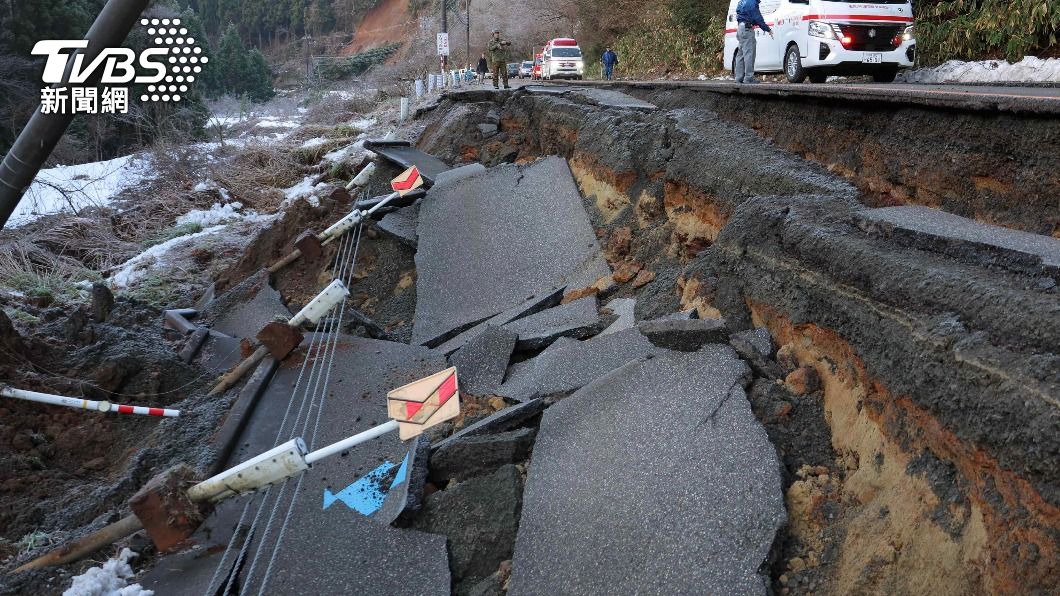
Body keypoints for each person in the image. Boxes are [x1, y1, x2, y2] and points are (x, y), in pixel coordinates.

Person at [734, 0, 773, 84]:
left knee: (740, 54)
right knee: (749, 54)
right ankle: (748, 78)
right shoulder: (751, 2)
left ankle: (738, 77)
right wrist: (767, 29)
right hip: (747, 29)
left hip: (740, 28)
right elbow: (757, 18)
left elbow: (740, 14)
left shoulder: (742, 1)